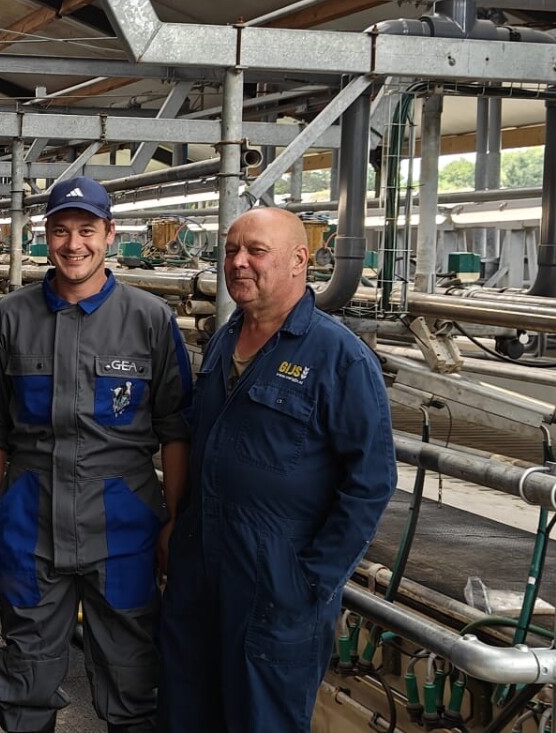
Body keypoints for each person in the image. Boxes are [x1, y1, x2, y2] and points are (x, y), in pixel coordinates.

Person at [157, 206, 396, 732]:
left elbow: (371, 482)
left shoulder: (340, 358)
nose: (238, 262)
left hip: (275, 587)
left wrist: (309, 581)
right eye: (231, 251)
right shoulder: (224, 340)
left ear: (298, 260)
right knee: (184, 714)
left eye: (256, 251)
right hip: (200, 574)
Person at [0, 176, 192, 733]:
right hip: (31, 522)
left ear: (110, 234)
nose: (74, 244)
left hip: (123, 528)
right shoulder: (11, 317)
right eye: (61, 230)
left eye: (87, 230)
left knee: (133, 676)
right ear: (45, 235)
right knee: (27, 674)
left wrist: (174, 521)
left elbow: (175, 431)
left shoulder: (150, 319)